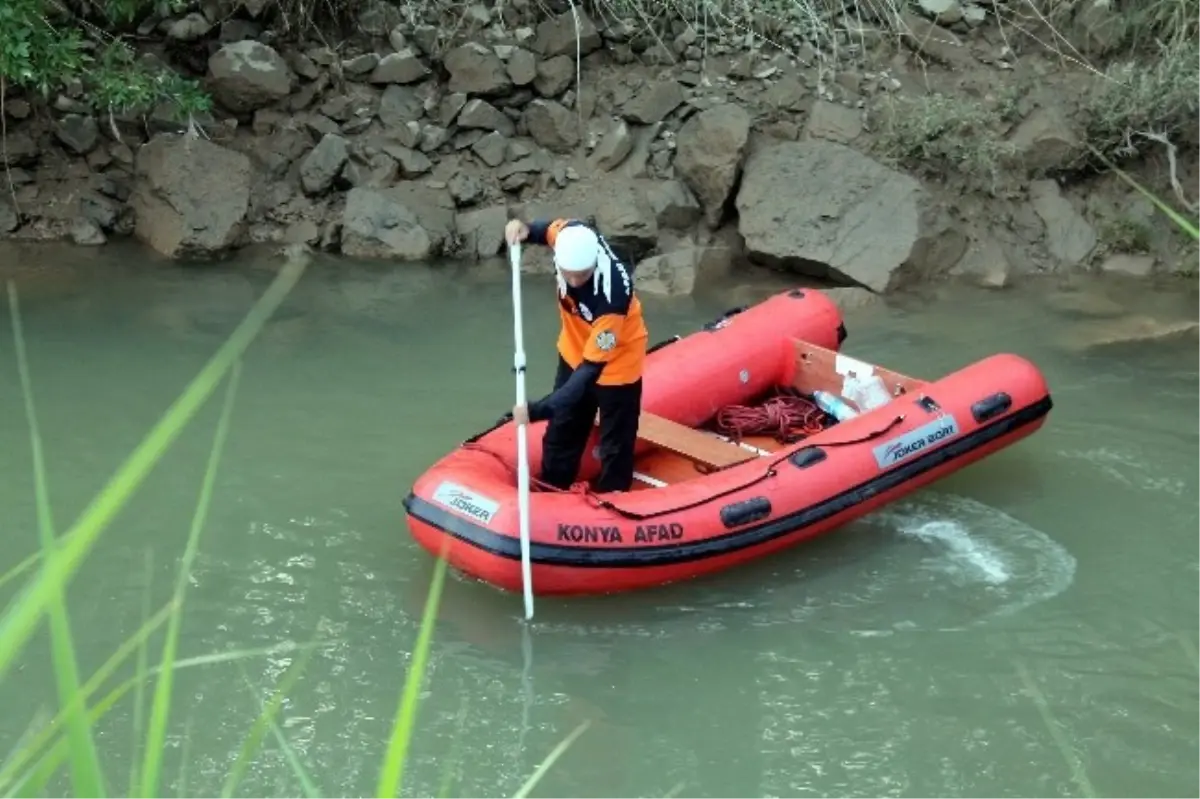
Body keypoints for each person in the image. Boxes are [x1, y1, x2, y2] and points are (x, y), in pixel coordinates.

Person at [506, 215, 648, 493]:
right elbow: (547, 230)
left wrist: (538, 410)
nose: (572, 280)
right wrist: (525, 229)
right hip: (574, 349)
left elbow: (588, 375)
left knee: (615, 444)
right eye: (566, 272)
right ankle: (552, 488)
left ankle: (612, 500)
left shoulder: (612, 296)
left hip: (616, 365)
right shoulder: (570, 235)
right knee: (562, 431)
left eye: (580, 275)